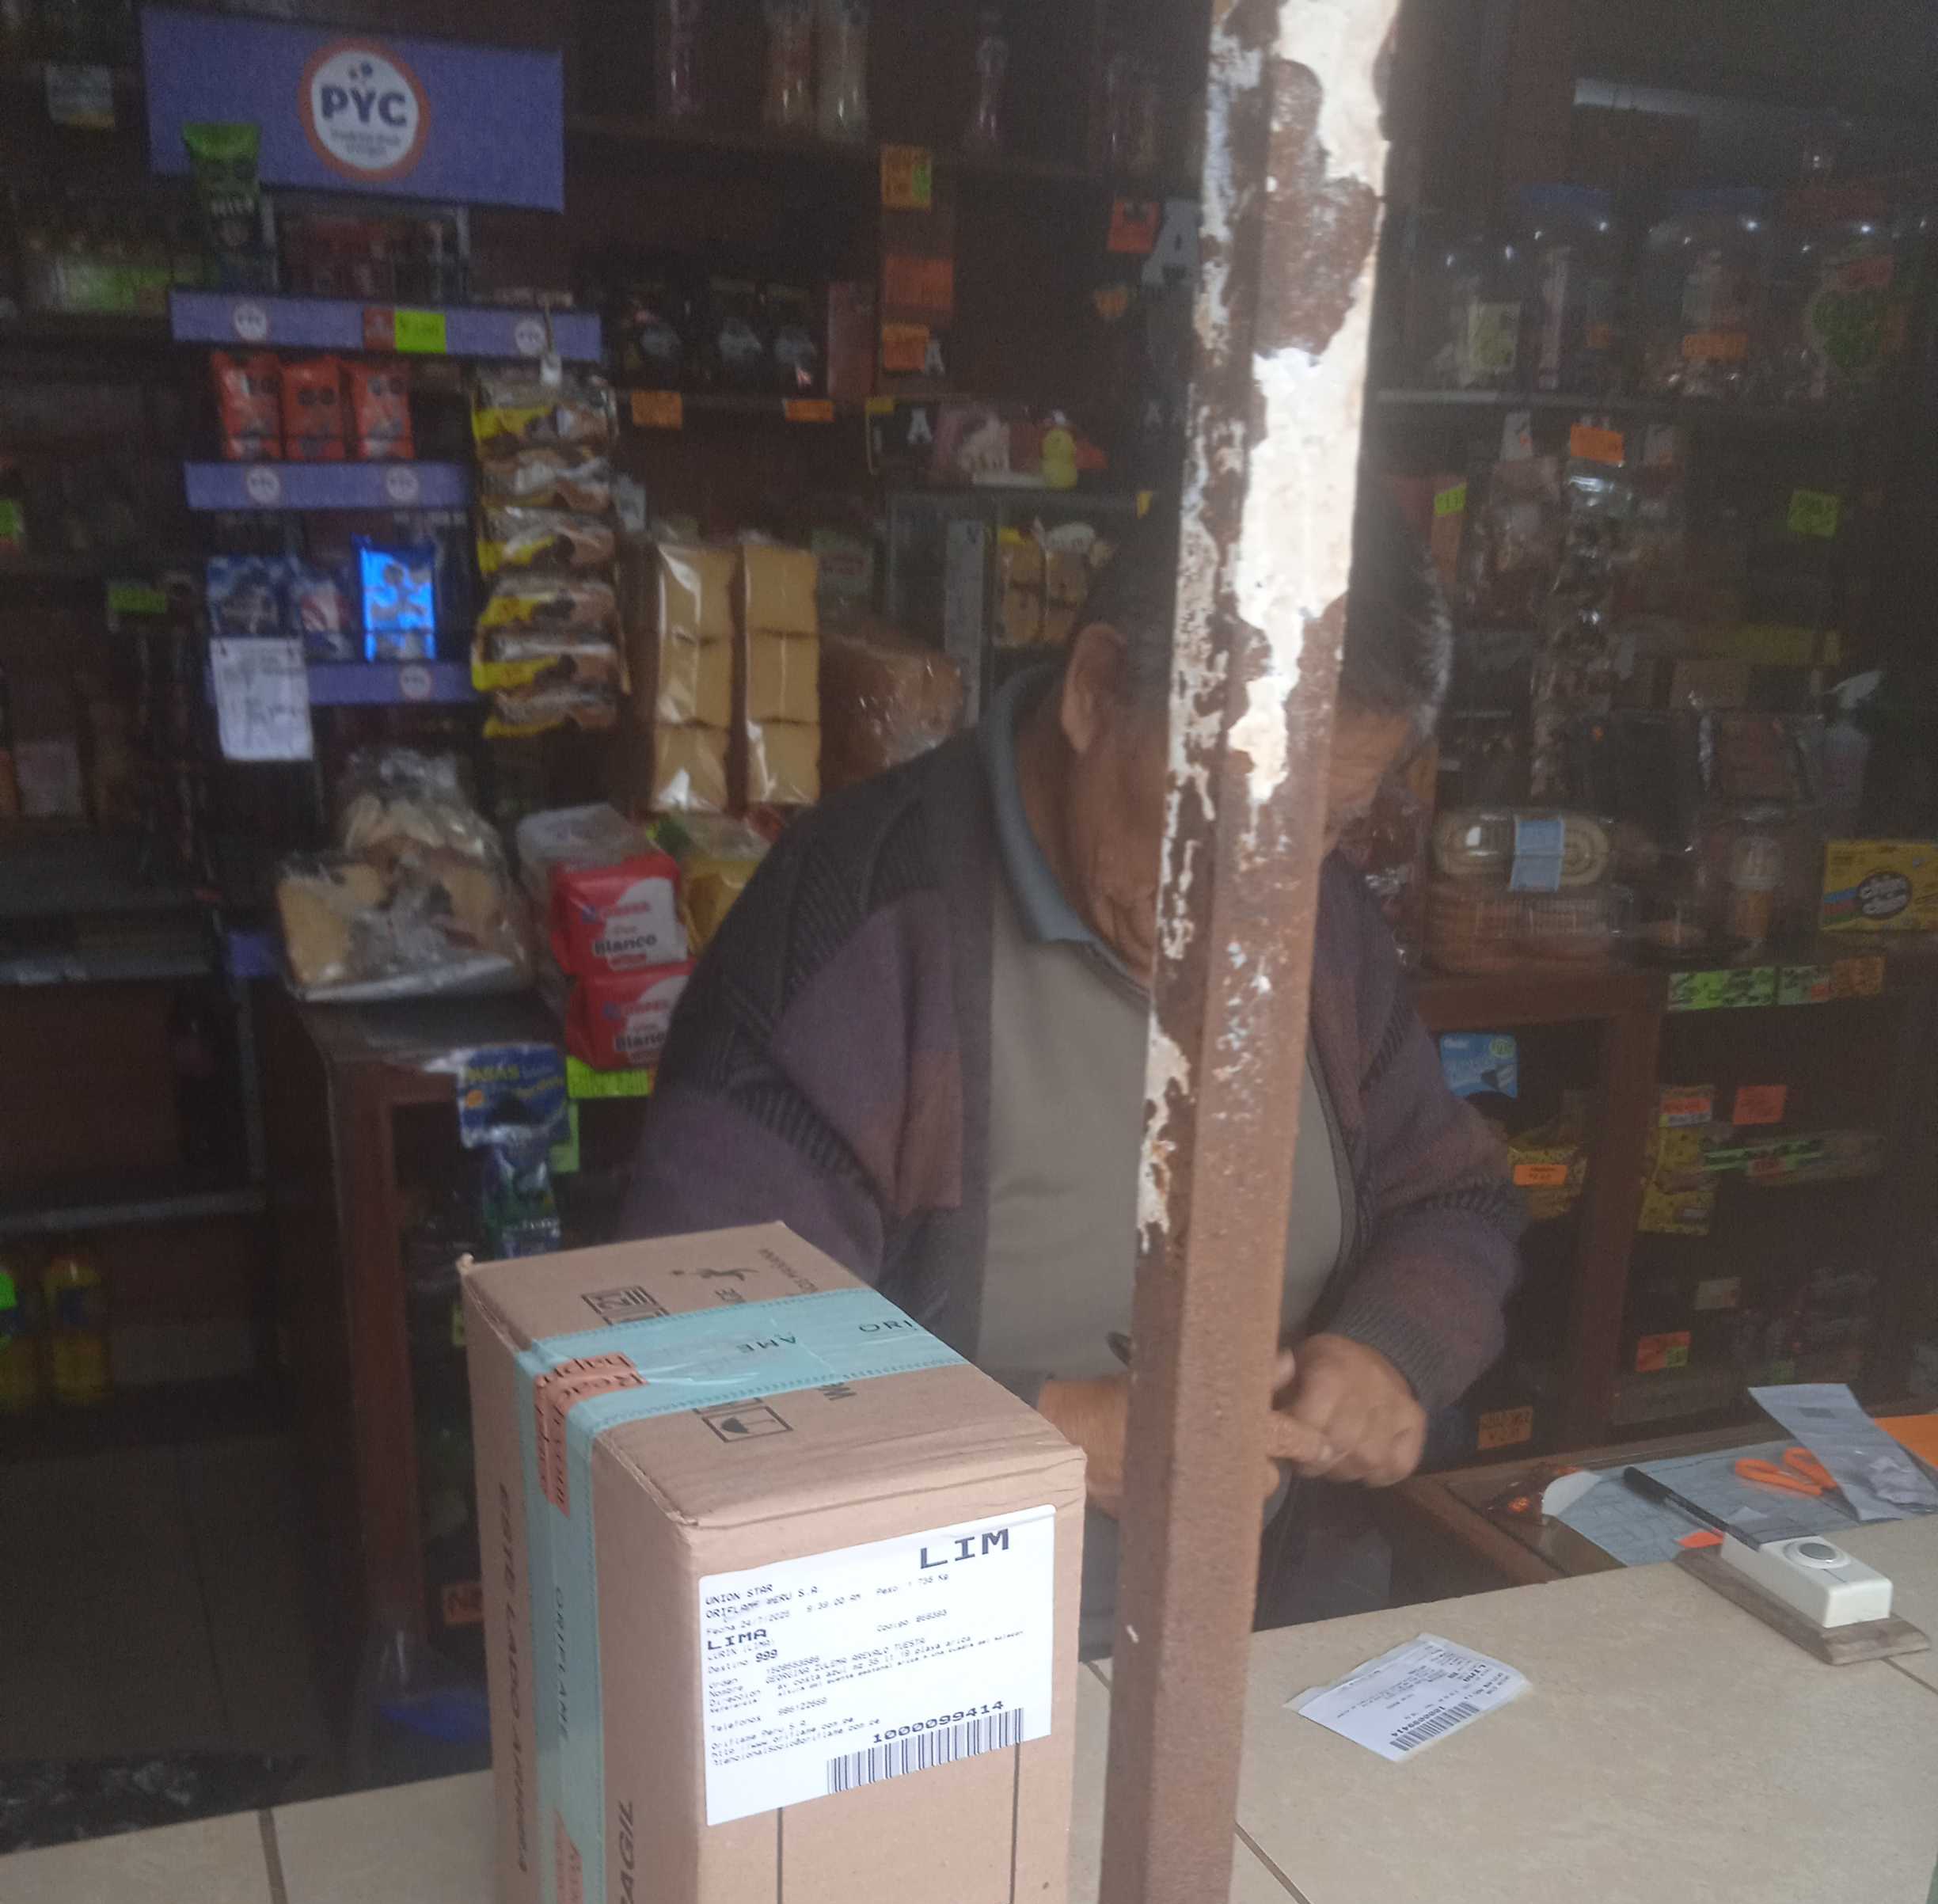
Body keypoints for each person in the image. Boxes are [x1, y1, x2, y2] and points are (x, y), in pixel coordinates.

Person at [622, 485, 1520, 1651]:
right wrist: (1040, 1434)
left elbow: (1454, 1198)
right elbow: (700, 1358)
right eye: (1226, 810)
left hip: (1281, 1633)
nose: (1263, 896)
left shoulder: (1325, 931)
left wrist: (1386, 1347)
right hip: (935, 1655)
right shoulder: (861, 924)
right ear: (1096, 690)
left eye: (1328, 826)